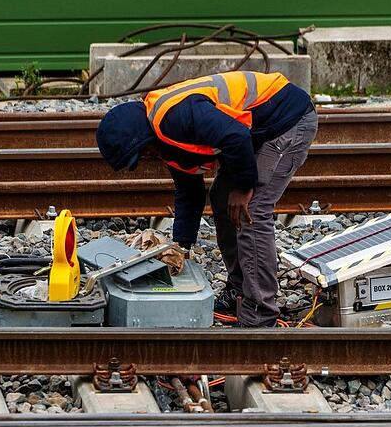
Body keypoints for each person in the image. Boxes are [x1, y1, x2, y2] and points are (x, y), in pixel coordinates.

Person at [96, 71, 317, 327]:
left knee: (251, 210)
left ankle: (260, 312)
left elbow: (236, 136)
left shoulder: (174, 118)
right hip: (258, 130)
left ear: (142, 137)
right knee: (223, 197)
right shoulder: (164, 140)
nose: (146, 158)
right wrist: (181, 248)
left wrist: (245, 187)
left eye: (141, 153)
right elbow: (190, 193)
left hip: (288, 120)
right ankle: (239, 289)